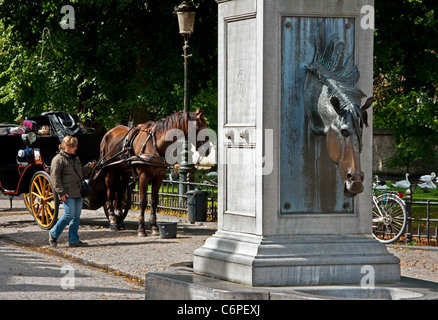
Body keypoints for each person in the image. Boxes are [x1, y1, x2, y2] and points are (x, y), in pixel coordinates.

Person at [49, 135, 95, 247]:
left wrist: (88, 167)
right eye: (73, 146)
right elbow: (55, 178)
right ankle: (53, 234)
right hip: (67, 193)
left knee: (76, 216)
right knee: (69, 215)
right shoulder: (58, 159)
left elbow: (80, 174)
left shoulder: (76, 159)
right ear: (66, 146)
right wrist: (61, 193)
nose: (76, 148)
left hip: (78, 192)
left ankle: (73, 240)